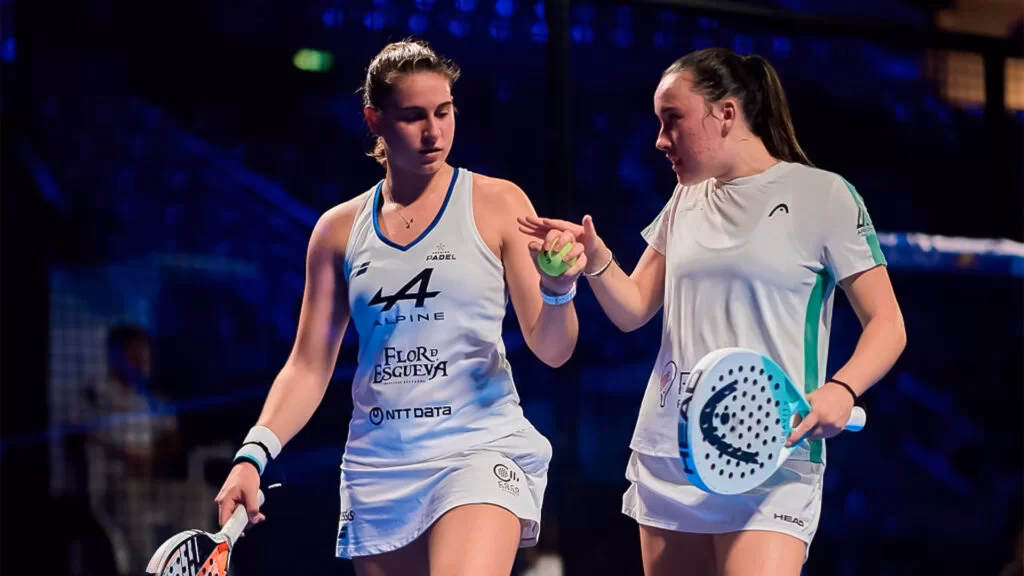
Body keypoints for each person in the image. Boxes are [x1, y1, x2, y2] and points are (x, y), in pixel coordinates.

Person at [520, 47, 907, 575]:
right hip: (670, 450)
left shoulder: (825, 196)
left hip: (773, 455)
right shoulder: (686, 197)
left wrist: (843, 388)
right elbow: (633, 309)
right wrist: (595, 259)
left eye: (672, 120)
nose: (660, 140)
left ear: (725, 113)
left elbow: (888, 324)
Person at [214, 39, 585, 576]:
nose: (434, 132)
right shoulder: (337, 231)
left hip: (479, 450)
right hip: (379, 468)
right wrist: (252, 456)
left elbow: (553, 349)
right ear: (375, 120)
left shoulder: (499, 203)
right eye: (414, 116)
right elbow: (308, 365)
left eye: (444, 112)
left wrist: (558, 290)